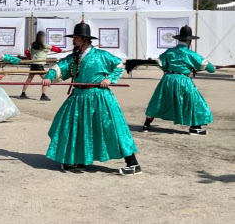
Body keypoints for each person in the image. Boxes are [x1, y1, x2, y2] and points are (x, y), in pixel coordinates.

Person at [42, 22, 141, 176]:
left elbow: (119, 65)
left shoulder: (101, 55)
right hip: (79, 97)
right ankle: (79, 160)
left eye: (76, 37)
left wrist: (110, 79)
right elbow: (60, 68)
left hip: (99, 96)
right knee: (76, 127)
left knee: (113, 128)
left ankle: (132, 163)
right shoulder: (74, 57)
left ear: (84, 39)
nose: (73, 40)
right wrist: (49, 77)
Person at [143, 25, 215, 135]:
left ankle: (146, 125)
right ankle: (195, 128)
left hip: (167, 79)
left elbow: (161, 63)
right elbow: (211, 69)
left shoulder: (169, 51)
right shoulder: (191, 54)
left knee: (159, 100)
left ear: (179, 39)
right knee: (195, 102)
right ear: (189, 40)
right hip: (183, 80)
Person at [20, 31, 63, 101]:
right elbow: (56, 49)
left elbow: (27, 51)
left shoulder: (32, 45)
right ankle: (43, 95)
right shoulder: (44, 46)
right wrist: (61, 50)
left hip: (33, 64)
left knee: (29, 79)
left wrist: (30, 57)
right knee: (46, 79)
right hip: (39, 65)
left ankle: (23, 93)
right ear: (41, 37)